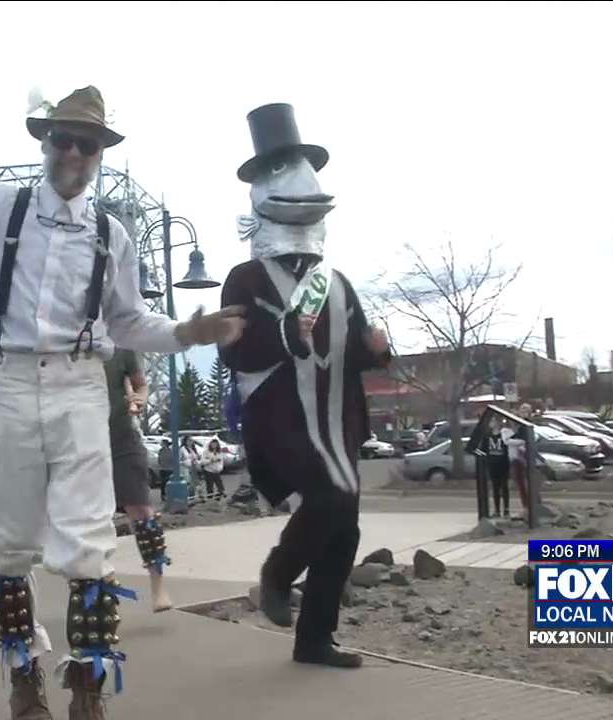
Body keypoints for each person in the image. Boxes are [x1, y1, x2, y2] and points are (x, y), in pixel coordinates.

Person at [0, 57, 244, 719]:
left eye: (86, 142)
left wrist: (189, 331)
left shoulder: (112, 234)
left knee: (89, 542)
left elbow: (126, 320)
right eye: (62, 138)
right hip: (6, 384)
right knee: (9, 542)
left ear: (100, 153)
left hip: (79, 387)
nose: (72, 151)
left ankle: (88, 689)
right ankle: (22, 679)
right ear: (44, 143)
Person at [219, 103, 391, 670]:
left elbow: (359, 352)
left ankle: (315, 638)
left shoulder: (335, 282)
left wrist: (377, 349)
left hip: (337, 422)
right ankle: (276, 573)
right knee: (331, 498)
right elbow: (234, 351)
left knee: (345, 528)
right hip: (280, 421)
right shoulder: (245, 278)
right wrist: (283, 333)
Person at [103, 347, 173, 612]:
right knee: (92, 516)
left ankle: (158, 584)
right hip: (82, 440)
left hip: (122, 437)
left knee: (142, 510)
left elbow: (141, 385)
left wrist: (139, 398)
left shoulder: (121, 346)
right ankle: (100, 580)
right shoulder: (67, 337)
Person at [483, 418, 511, 517]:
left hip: (503, 464)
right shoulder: (487, 435)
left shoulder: (503, 435)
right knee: (495, 487)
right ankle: (497, 510)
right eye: (491, 421)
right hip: (492, 464)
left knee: (504, 487)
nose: (491, 423)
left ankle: (506, 509)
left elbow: (508, 448)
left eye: (493, 421)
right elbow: (484, 449)